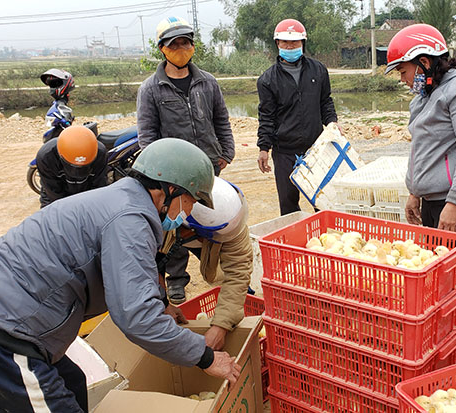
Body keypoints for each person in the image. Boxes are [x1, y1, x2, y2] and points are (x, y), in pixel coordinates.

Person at [0, 139, 241, 412]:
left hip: (1, 313)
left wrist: (161, 302)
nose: (188, 212)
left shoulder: (123, 200)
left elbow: (131, 273)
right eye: (191, 202)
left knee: (72, 381)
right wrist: (206, 358)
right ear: (171, 189)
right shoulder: (130, 219)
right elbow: (136, 317)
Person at [386, 24, 456, 306]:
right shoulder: (426, 95)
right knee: (436, 270)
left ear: (424, 62)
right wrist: (414, 190)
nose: (402, 79)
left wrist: (455, 203)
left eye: (403, 70)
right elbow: (422, 147)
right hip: (433, 198)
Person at [137, 16, 236, 302]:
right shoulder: (151, 89)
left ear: (193, 46)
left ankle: (216, 269)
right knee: (174, 227)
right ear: (162, 49)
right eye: (174, 44)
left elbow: (221, 120)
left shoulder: (208, 82)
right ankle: (177, 278)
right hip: (172, 174)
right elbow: (147, 136)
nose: (181, 48)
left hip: (208, 167)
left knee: (210, 218)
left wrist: (226, 153)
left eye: (185, 42)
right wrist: (160, 173)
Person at [158, 177, 253, 349]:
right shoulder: (156, 216)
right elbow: (148, 267)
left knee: (235, 290)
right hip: (179, 233)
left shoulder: (231, 223)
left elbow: (238, 271)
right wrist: (163, 303)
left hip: (200, 234)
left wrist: (221, 326)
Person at [256, 18, 338, 215]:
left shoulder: (318, 70)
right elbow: (266, 117)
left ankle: (325, 239)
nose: (290, 46)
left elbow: (325, 101)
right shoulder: (267, 80)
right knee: (289, 204)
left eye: (294, 42)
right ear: (277, 44)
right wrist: (263, 148)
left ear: (303, 43)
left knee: (323, 199)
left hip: (315, 147)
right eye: (285, 42)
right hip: (284, 151)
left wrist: (332, 123)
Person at [36, 125, 108, 208]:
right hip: (55, 195)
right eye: (73, 166)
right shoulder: (46, 157)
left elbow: (99, 187)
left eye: (84, 167)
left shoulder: (100, 153)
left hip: (87, 192)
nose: (77, 172)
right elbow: (53, 193)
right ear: (60, 156)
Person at [40, 68, 75, 142]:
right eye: (51, 85)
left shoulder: (62, 106)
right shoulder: (57, 105)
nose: (52, 87)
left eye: (55, 83)